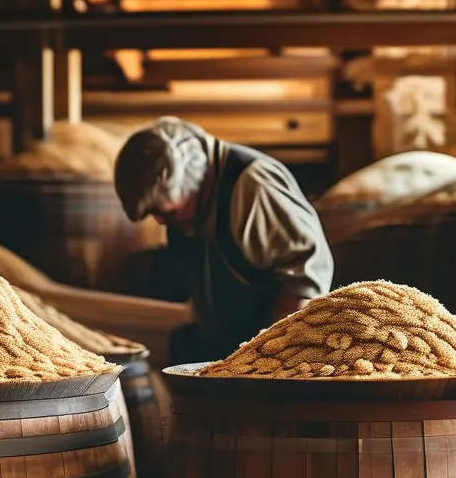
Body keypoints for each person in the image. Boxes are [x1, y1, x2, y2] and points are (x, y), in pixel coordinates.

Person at [113, 116, 334, 365]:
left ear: (195, 183)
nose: (161, 221)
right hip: (222, 349)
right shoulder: (189, 205)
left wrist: (274, 352)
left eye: (167, 212)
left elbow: (305, 279)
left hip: (267, 357)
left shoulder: (252, 187)